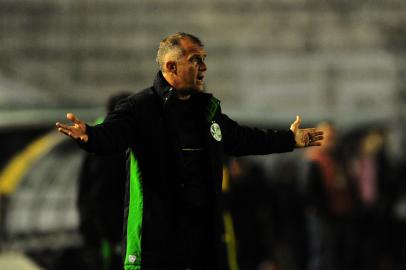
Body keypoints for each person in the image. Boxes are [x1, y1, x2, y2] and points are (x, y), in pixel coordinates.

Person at [56, 32, 323, 270]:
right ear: (171, 66)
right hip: (155, 245)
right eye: (196, 60)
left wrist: (290, 139)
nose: (204, 67)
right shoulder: (140, 108)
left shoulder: (206, 112)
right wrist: (89, 135)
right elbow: (112, 135)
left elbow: (243, 138)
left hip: (202, 243)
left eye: (204, 59)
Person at [77, 92, 131, 270]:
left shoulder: (97, 135)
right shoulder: (111, 143)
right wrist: (114, 236)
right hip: (109, 234)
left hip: (97, 227)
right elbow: (105, 192)